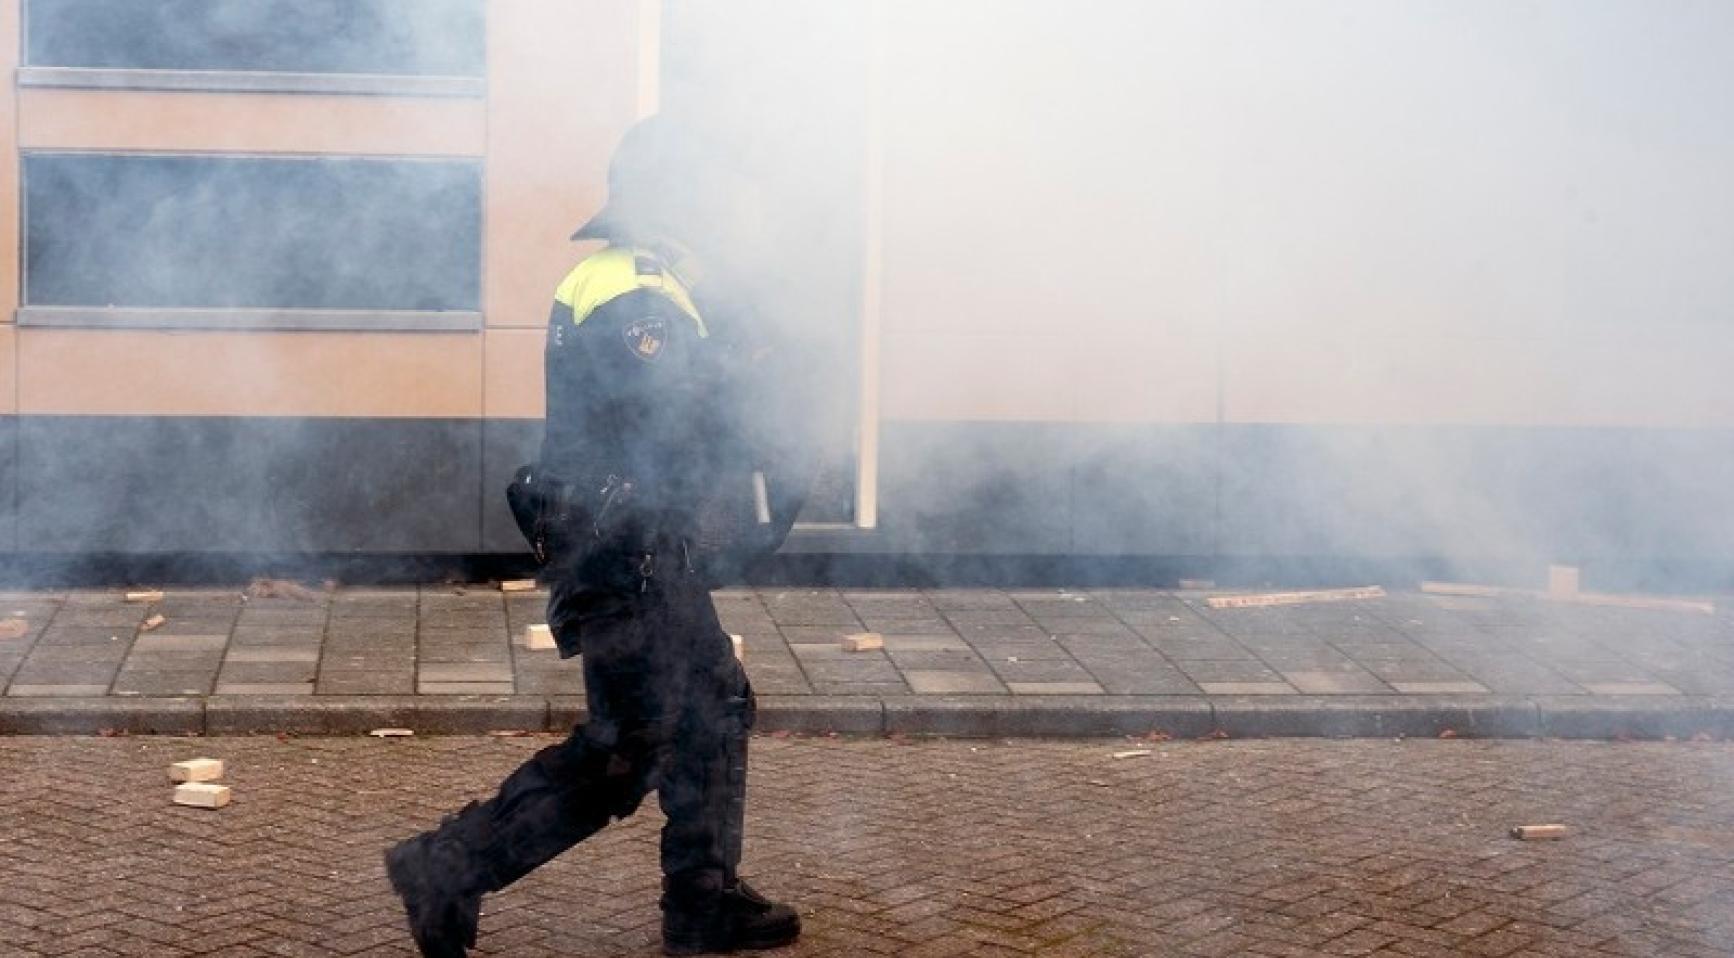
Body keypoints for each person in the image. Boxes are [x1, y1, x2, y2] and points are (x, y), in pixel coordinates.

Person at [384, 116, 811, 958]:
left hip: (636, 552)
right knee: (625, 751)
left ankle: (704, 901)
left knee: (713, 710)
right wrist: (751, 391)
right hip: (629, 556)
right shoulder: (636, 294)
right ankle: (449, 864)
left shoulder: (634, 281)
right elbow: (673, 420)